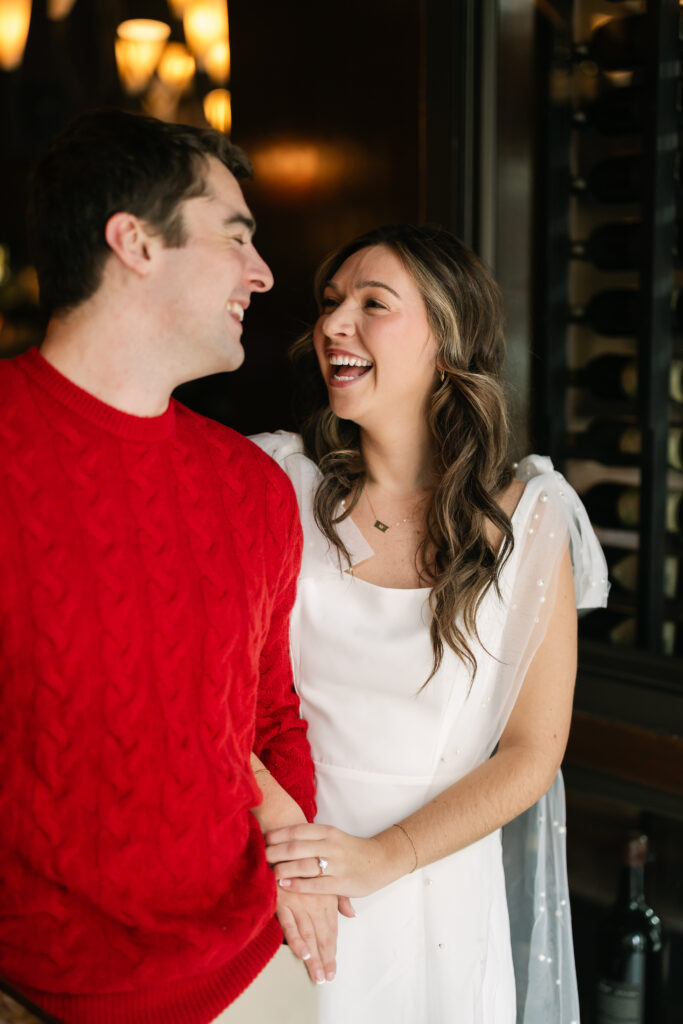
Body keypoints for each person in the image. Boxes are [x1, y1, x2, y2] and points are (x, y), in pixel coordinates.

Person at [0, 109, 338, 1024]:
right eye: (237, 236)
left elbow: (271, 719)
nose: (263, 273)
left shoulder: (250, 488)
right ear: (135, 242)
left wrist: (293, 872)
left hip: (256, 976)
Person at [252, 223, 609, 1024]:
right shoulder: (273, 482)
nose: (333, 324)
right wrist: (282, 837)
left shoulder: (532, 519)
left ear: (448, 340)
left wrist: (385, 858)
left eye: (372, 304)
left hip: (434, 881)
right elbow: (201, 689)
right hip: (283, 871)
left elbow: (531, 752)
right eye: (331, 302)